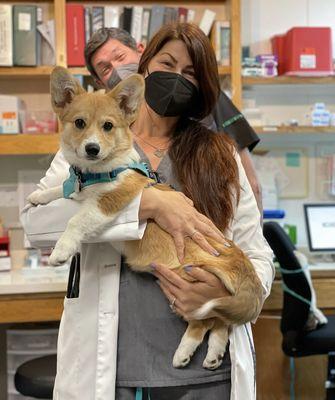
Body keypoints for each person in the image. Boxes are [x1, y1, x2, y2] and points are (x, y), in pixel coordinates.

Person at [21, 23, 274, 400]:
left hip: (207, 377)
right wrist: (146, 203)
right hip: (117, 370)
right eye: (167, 63)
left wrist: (222, 293)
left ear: (203, 85)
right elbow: (36, 226)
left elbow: (257, 254)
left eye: (190, 73)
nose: (176, 78)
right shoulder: (89, 143)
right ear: (146, 62)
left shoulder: (220, 155)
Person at [84, 27, 263, 214]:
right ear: (98, 82)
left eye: (120, 57)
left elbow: (251, 186)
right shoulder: (97, 135)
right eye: (105, 69)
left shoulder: (208, 99)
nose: (118, 70)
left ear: (141, 51)